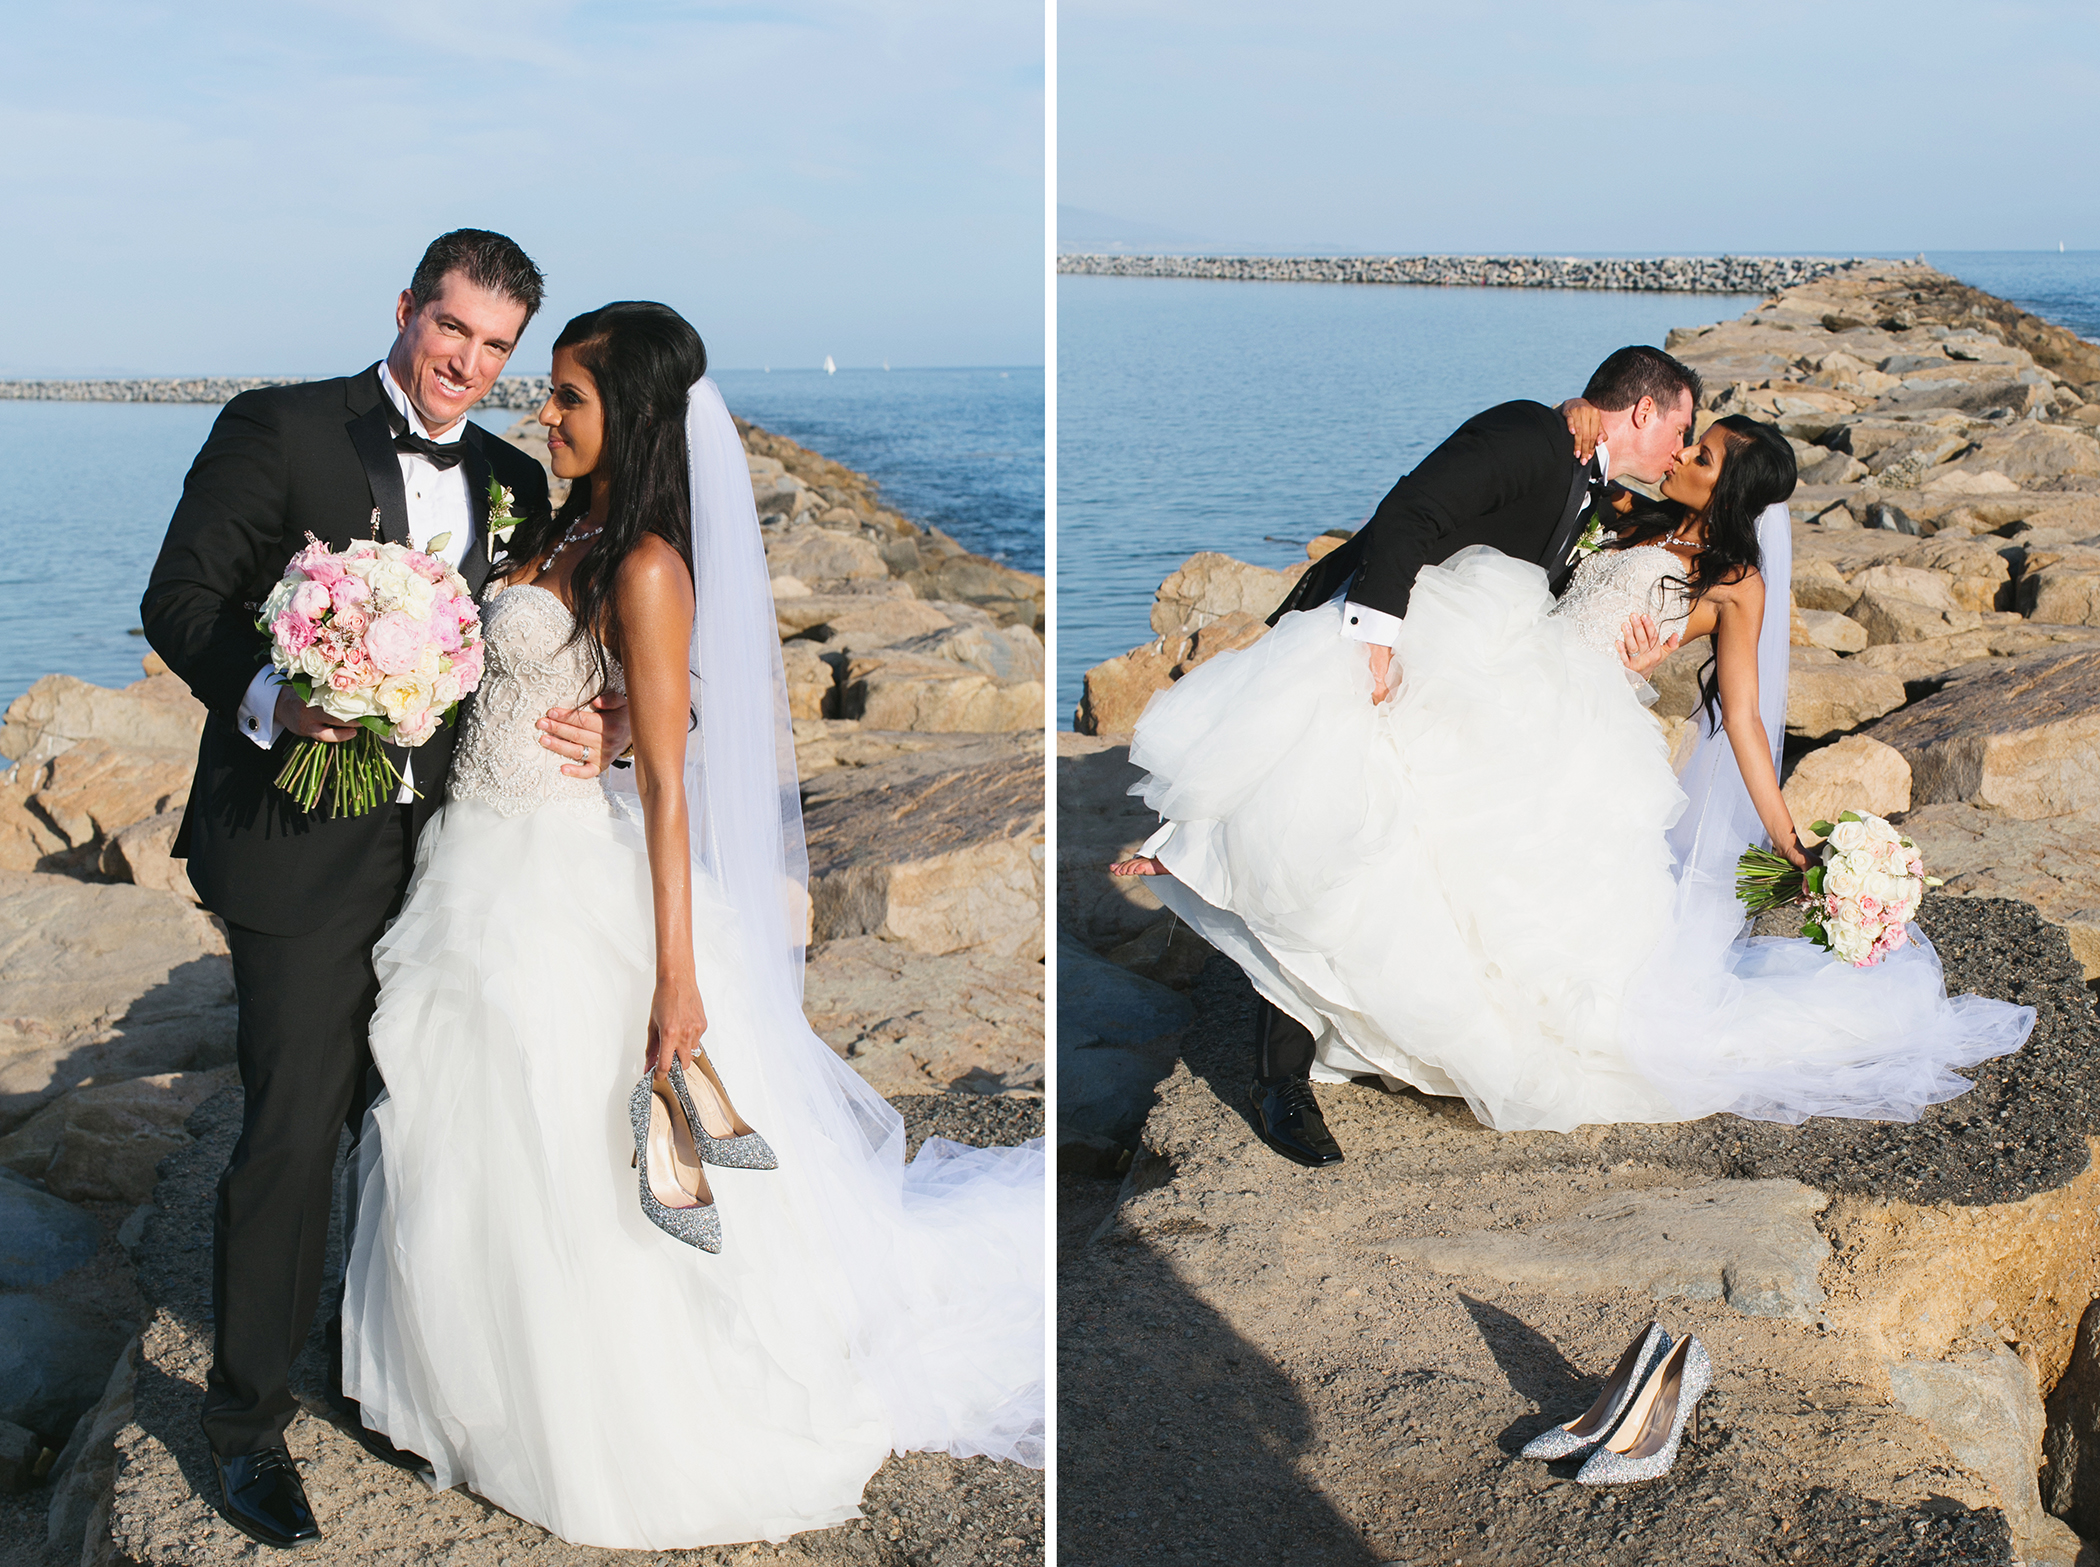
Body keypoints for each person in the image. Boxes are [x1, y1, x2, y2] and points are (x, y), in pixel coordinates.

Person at [340, 302, 1044, 1549]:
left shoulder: (650, 559)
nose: (541, 414)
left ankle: (595, 1410)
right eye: (547, 391)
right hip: (474, 862)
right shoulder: (570, 523)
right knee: (474, 1137)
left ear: (635, 417)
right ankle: (476, 1390)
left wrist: (677, 980)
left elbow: (666, 782)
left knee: (559, 1145)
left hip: (560, 878)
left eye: (568, 398)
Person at [1114, 408, 2033, 1149]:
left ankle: (1365, 1010)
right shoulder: (1629, 513)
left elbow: (1744, 718)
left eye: (1702, 457)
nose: (1682, 454)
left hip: (1579, 729)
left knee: (1480, 886)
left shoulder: (1737, 585)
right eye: (1689, 440)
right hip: (1504, 675)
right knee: (1367, 797)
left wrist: (1788, 830)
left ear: (1731, 489)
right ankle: (1220, 879)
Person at [141, 229, 631, 1549]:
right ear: (406, 308)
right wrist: (273, 696)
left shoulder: (517, 480)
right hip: (300, 846)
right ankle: (244, 1421)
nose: (467, 366)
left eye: (496, 348)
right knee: (296, 1127)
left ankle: (400, 1368)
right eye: (451, 330)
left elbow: (599, 616)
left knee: (430, 1121)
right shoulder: (280, 428)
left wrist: (622, 724)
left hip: (466, 851)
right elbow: (179, 600)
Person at [1152, 347, 1704, 1165]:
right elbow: (1410, 511)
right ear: (1644, 409)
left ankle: (1381, 1026)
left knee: (1428, 856)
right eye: (1681, 431)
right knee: (1330, 838)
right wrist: (1375, 644)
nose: (1680, 453)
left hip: (1467, 666)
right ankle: (1279, 1080)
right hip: (1385, 641)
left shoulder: (1595, 477)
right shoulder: (1528, 432)